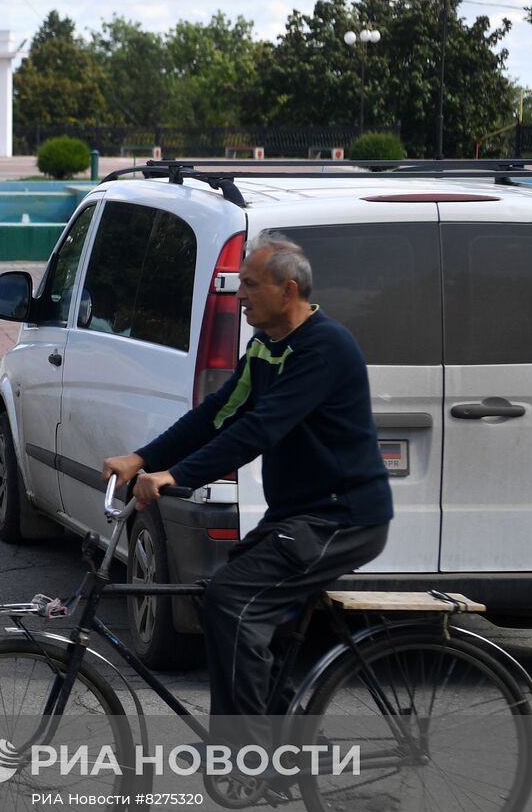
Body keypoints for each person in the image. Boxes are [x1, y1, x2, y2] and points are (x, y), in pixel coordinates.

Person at [102, 231, 393, 758]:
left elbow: (260, 429)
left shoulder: (322, 348)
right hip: (299, 515)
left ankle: (248, 754)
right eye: (239, 285)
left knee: (231, 599)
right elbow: (215, 416)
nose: (240, 296)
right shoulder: (265, 347)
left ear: (287, 290)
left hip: (342, 518)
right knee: (245, 605)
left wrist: (175, 476)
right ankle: (288, 743)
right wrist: (143, 459)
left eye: (251, 285)